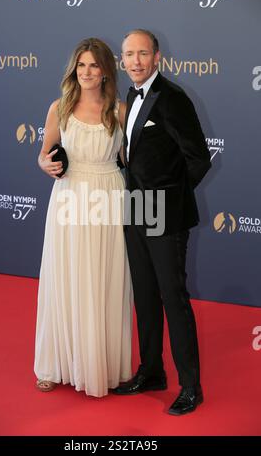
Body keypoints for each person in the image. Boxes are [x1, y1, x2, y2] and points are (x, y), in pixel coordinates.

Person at [113, 29, 211, 415]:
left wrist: (170, 200)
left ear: (157, 58)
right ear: (122, 60)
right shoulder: (130, 96)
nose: (135, 61)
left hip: (165, 215)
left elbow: (198, 158)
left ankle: (191, 387)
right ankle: (151, 371)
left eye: (142, 54)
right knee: (145, 295)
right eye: (129, 54)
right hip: (135, 209)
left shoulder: (173, 98)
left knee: (173, 298)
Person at [34, 38, 132, 398]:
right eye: (81, 66)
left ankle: (100, 364)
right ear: (74, 70)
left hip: (109, 195)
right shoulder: (59, 108)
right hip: (69, 197)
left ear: (106, 69)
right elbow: (43, 156)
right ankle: (54, 363)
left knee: (103, 277)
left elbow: (133, 160)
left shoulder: (120, 110)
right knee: (67, 276)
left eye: (94, 65)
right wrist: (46, 165)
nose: (87, 72)